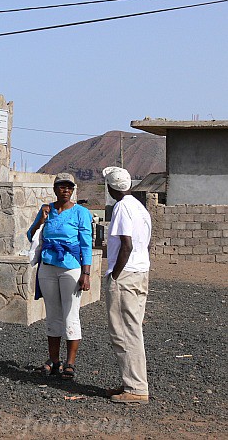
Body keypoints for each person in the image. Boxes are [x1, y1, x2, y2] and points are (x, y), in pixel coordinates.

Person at [27, 173, 93, 380]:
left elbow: (86, 244)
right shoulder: (47, 210)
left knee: (70, 314)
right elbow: (31, 235)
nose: (65, 190)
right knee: (52, 314)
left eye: (68, 187)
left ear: (72, 190)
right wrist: (41, 221)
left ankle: (70, 362)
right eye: (61, 187)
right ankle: (54, 360)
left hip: (70, 267)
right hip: (47, 266)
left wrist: (86, 273)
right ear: (55, 189)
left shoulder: (81, 212)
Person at [102, 166, 152, 404]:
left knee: (124, 332)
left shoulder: (122, 207)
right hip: (140, 272)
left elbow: (127, 245)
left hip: (126, 274)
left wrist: (115, 275)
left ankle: (135, 388)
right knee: (132, 329)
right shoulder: (140, 208)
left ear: (111, 188)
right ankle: (130, 382)